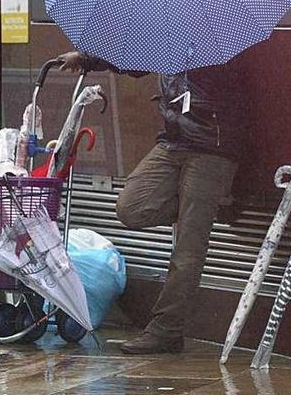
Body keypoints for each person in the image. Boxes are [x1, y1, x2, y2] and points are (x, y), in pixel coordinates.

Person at [57, 51, 248, 354]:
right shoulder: (168, 36)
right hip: (173, 141)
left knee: (188, 249)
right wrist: (86, 59)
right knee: (130, 207)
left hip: (212, 146)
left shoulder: (221, 42)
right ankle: (211, 204)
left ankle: (166, 331)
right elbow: (135, 59)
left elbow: (238, 93)